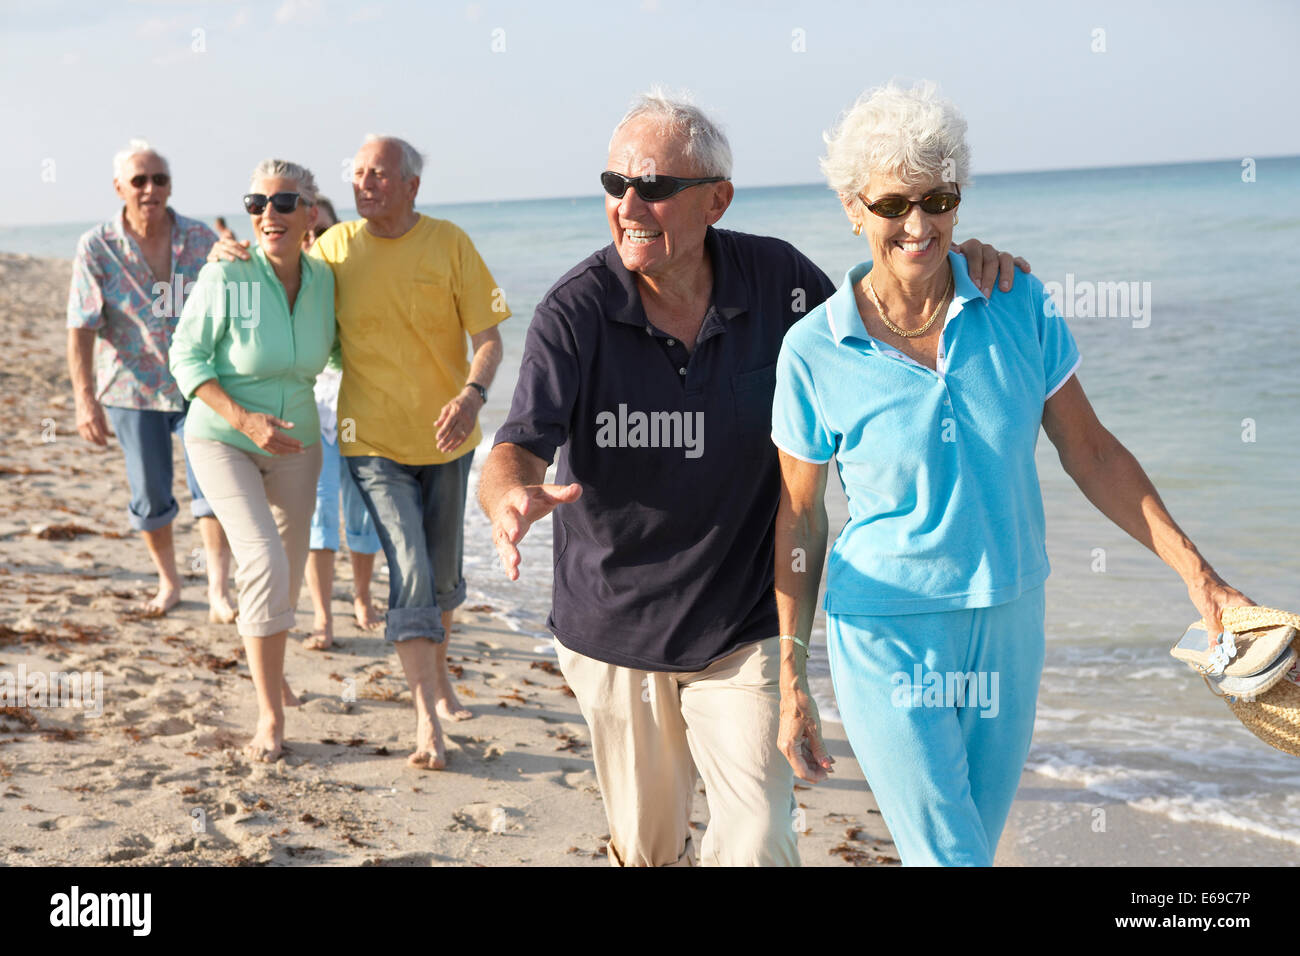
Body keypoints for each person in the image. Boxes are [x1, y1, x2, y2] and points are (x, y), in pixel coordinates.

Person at [479, 89, 1024, 867]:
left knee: (762, 835)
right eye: (616, 185)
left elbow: (884, 316)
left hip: (743, 625)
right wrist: (509, 495)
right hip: (614, 628)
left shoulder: (780, 283)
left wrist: (965, 262)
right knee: (648, 846)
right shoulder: (577, 310)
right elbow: (520, 442)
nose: (629, 204)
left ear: (716, 199)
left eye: (655, 187)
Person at [772, 81, 1252, 866]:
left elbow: (1091, 452)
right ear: (853, 209)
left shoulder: (1015, 300)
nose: (919, 225)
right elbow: (800, 517)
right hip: (886, 631)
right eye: (894, 204)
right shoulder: (815, 351)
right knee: (952, 858)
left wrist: (1200, 577)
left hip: (1011, 618)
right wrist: (790, 675)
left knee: (971, 853)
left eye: (940, 198)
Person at [209, 135, 508, 769]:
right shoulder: (337, 249)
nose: (364, 184)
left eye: (379, 175)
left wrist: (473, 395)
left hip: (449, 439)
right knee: (411, 568)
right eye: (358, 175)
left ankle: (439, 676)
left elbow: (489, 338)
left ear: (411, 187)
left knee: (445, 578)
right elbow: (275, 261)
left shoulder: (451, 242)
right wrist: (226, 249)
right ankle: (426, 719)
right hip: (369, 441)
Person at [170, 159, 336, 761]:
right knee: (262, 558)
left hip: (298, 444)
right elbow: (185, 357)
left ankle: (274, 669)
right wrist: (244, 420)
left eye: (285, 202)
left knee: (286, 572)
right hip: (223, 437)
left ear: (310, 214)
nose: (269, 214)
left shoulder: (325, 280)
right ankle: (269, 714)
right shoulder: (228, 276)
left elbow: (351, 348)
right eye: (257, 203)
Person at [67, 139, 236, 621]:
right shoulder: (96, 247)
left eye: (159, 178)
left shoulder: (201, 239)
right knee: (151, 495)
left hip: (200, 384)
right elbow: (80, 326)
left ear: (170, 185)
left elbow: (237, 302)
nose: (150, 188)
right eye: (139, 180)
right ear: (119, 187)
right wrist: (84, 400)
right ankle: (169, 582)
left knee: (214, 487)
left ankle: (219, 591)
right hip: (130, 389)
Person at [301, 197, 384, 650]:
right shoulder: (292, 278)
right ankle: (320, 616)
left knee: (361, 511)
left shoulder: (357, 273)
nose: (319, 241)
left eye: (327, 231)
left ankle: (362, 597)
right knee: (320, 513)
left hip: (361, 405)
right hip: (311, 406)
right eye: (311, 232)